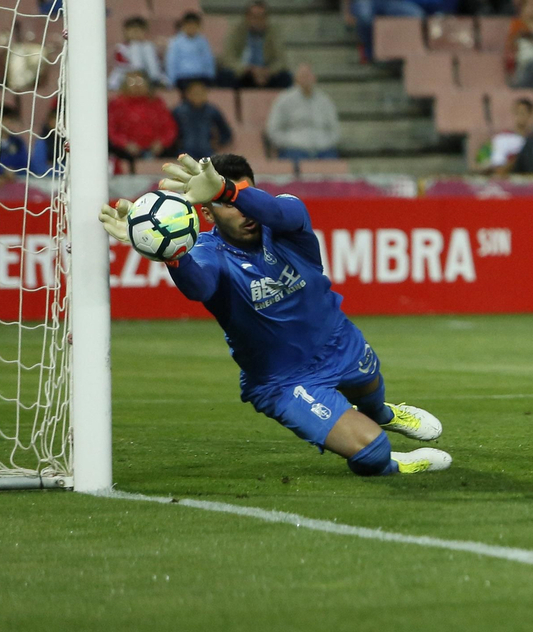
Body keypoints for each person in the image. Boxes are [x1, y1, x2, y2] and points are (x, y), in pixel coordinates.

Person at [95, 154, 450, 475]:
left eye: (243, 195)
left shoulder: (285, 216)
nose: (244, 211)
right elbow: (198, 288)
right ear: (206, 212)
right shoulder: (207, 253)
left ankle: (385, 414)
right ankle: (397, 464)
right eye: (225, 203)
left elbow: (277, 212)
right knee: (372, 454)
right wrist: (169, 252)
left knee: (370, 387)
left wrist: (226, 191)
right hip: (283, 380)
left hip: (337, 339)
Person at [266, 64, 341, 160]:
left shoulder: (325, 101)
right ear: (296, 79)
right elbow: (273, 129)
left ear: (314, 78)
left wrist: (326, 143)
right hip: (294, 150)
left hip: (324, 150)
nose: (306, 80)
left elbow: (335, 130)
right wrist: (288, 143)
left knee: (334, 165)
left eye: (308, 76)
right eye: (303, 76)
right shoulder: (284, 100)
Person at [216, 1, 293, 91]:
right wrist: (248, 70)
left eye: (261, 17)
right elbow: (228, 57)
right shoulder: (237, 31)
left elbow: (282, 60)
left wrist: (267, 71)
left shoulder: (274, 32)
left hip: (266, 74)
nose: (257, 20)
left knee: (286, 77)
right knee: (225, 76)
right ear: (247, 17)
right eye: (254, 17)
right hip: (244, 73)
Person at [108, 70, 178, 169]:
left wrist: (162, 142)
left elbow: (170, 128)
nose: (136, 85)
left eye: (140, 81)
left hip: (156, 149)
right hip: (126, 150)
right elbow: (111, 130)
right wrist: (125, 144)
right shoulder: (116, 104)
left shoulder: (157, 103)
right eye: (132, 82)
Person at [481, 96, 533, 175]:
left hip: (530, 179)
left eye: (523, 113)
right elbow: (498, 170)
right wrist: (516, 159)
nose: (520, 116)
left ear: (531, 115)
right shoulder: (502, 138)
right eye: (517, 112)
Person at [172, 78, 233, 160]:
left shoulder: (212, 111)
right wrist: (177, 144)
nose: (198, 96)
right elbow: (170, 130)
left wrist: (217, 143)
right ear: (187, 94)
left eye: (201, 93)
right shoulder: (179, 111)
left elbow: (226, 133)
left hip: (206, 152)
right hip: (185, 152)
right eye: (195, 93)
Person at [109, 14, 167, 90]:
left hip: (147, 75)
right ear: (125, 32)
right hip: (126, 73)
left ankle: (154, 82)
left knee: (163, 79)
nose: (135, 34)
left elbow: (154, 64)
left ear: (145, 32)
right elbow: (121, 65)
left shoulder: (148, 47)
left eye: (139, 31)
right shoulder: (121, 47)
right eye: (132, 31)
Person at [165, 11, 217, 86]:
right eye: (189, 25)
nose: (191, 28)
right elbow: (171, 63)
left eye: (194, 25)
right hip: (183, 77)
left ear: (198, 26)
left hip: (201, 77)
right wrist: (171, 82)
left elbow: (208, 60)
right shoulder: (175, 42)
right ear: (183, 26)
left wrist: (211, 77)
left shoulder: (203, 42)